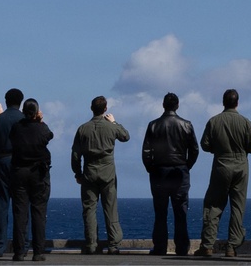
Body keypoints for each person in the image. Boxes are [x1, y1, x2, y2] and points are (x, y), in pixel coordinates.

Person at [195, 89, 251, 258]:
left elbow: (205, 145)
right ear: (237, 102)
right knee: (238, 207)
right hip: (241, 166)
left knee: (213, 206)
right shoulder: (245, 122)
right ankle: (232, 246)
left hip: (221, 165)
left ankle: (207, 245)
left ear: (223, 102)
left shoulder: (214, 121)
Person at [71, 95, 131, 255]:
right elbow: (125, 136)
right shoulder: (111, 127)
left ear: (91, 108)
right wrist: (114, 122)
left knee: (89, 209)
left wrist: (77, 173)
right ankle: (113, 245)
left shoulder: (83, 129)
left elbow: (75, 154)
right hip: (108, 173)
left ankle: (91, 244)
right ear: (105, 109)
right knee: (110, 208)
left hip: (89, 172)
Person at [141, 92, 199, 256]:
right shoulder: (186, 125)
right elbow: (194, 149)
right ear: (177, 106)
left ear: (163, 105)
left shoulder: (153, 125)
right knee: (180, 212)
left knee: (160, 212)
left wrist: (150, 168)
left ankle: (160, 247)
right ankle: (181, 248)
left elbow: (146, 150)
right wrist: (187, 166)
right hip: (180, 171)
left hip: (159, 171)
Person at [10, 99, 53, 262]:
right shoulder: (41, 128)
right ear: (36, 112)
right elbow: (50, 135)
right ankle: (38, 252)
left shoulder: (16, 128)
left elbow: (12, 137)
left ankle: (19, 251)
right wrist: (40, 121)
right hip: (38, 173)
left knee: (20, 213)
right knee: (39, 212)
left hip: (19, 171)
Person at [0, 88, 25, 257]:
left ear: (5, 101)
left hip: (2, 161)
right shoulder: (26, 119)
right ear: (21, 101)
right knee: (22, 206)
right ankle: (22, 246)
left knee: (1, 205)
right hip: (22, 164)